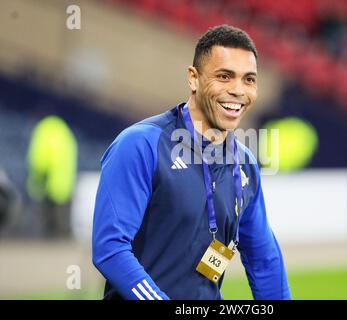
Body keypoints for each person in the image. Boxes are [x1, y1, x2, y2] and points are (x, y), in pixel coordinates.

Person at [92, 25, 291, 300]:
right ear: (193, 79)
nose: (238, 90)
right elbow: (110, 249)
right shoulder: (141, 145)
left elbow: (264, 260)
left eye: (249, 80)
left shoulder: (244, 163)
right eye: (224, 76)